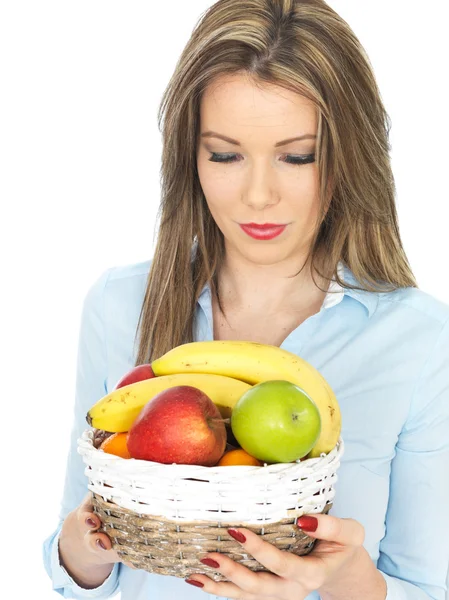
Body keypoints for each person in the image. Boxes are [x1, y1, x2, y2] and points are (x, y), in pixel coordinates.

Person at [43, 0, 449, 598]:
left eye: (297, 155)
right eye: (226, 154)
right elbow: (79, 567)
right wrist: (80, 548)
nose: (259, 195)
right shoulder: (119, 303)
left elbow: (426, 585)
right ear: (191, 156)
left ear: (348, 158)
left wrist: (347, 579)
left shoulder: (419, 341)